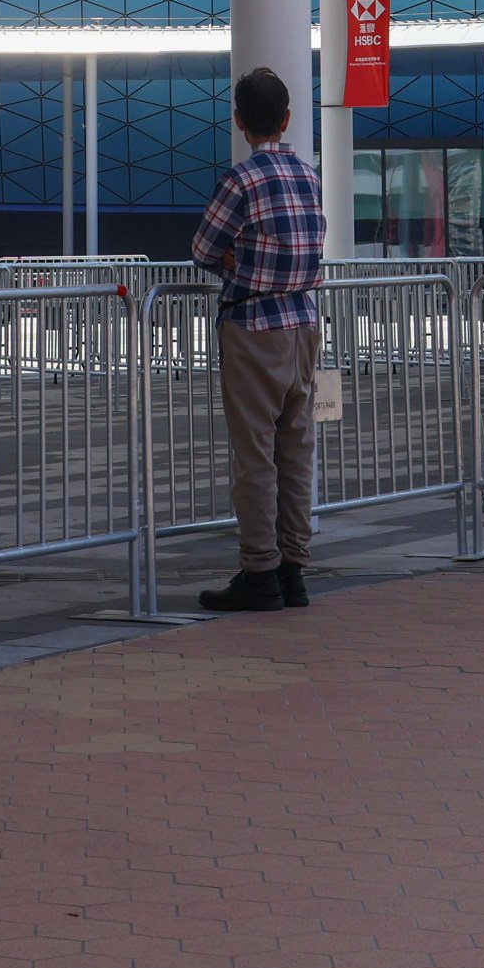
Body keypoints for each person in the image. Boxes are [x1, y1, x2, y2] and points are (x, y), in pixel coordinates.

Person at [188, 66, 325, 613]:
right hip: (304, 324)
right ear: (288, 118)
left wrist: (233, 256)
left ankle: (259, 571)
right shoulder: (310, 177)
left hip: (252, 326)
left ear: (239, 121)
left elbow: (202, 249)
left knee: (255, 458)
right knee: (296, 451)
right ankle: (294, 571)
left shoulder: (240, 182)